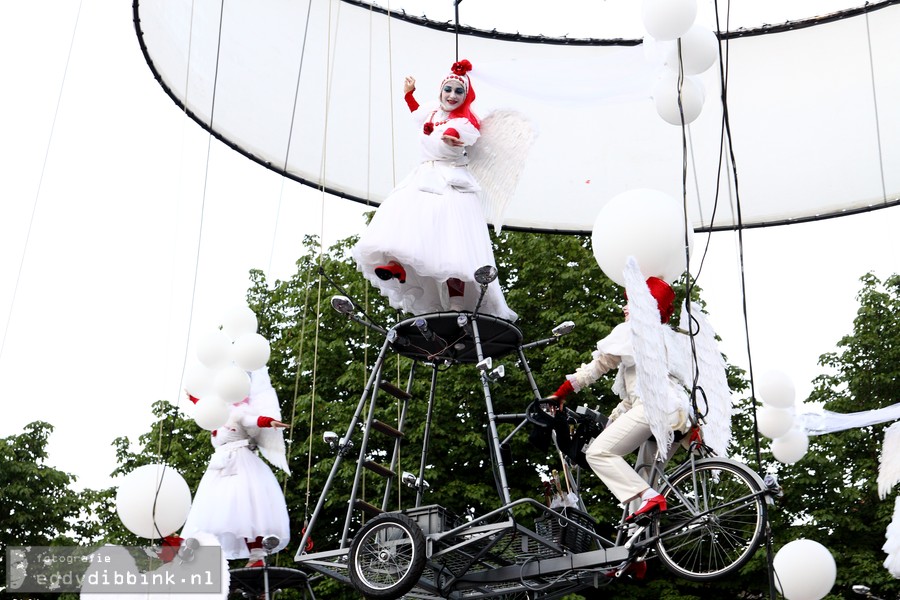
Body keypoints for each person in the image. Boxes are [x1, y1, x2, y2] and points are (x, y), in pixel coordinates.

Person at [351, 59, 517, 321]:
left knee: (452, 247)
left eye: (458, 91)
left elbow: (461, 135)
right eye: (448, 89)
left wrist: (452, 136)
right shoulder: (431, 112)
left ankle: (456, 303)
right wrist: (409, 94)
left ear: (465, 96)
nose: (452, 95)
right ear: (440, 91)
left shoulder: (465, 122)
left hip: (450, 183)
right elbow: (417, 115)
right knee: (405, 223)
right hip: (423, 176)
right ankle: (397, 267)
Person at [547, 265, 692, 524]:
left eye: (631, 303)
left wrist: (561, 393)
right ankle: (638, 555)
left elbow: (599, 366)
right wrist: (613, 421)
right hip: (678, 414)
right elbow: (636, 394)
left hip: (654, 410)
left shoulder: (633, 330)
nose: (625, 309)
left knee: (599, 454)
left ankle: (649, 503)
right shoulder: (665, 339)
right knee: (642, 481)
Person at [182, 367, 291, 567]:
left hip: (240, 463)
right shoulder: (215, 412)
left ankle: (257, 555)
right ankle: (212, 559)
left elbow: (253, 420)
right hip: (220, 468)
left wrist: (270, 422)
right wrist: (193, 397)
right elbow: (205, 406)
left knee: (247, 508)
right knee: (220, 511)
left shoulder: (238, 412)